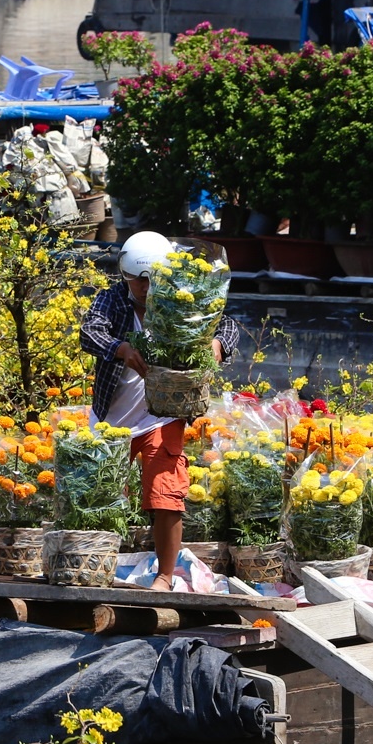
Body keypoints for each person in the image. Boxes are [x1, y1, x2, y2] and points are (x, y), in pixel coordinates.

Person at [78, 232, 241, 592]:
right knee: (97, 499)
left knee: (166, 495)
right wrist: (120, 348)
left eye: (152, 279)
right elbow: (90, 332)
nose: (144, 287)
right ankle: (94, 569)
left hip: (162, 417)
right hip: (111, 421)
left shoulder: (183, 302)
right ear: (126, 277)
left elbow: (228, 324)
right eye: (137, 279)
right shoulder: (112, 301)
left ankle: (164, 577)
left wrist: (216, 344)